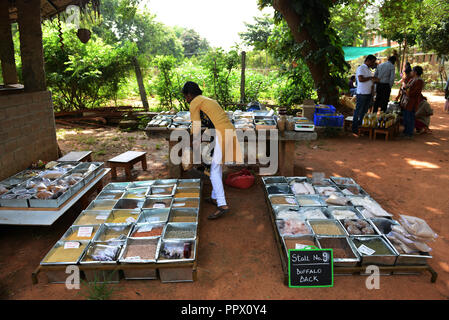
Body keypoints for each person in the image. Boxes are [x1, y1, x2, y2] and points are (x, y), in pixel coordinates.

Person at [182, 81, 243, 220]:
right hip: (228, 131)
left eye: (185, 96)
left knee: (214, 170)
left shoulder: (194, 102)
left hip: (221, 134)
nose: (186, 99)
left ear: (189, 95)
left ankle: (222, 205)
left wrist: (191, 142)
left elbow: (196, 126)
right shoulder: (208, 100)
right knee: (218, 167)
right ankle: (215, 197)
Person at [352, 55, 378, 134]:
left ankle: (360, 126)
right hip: (362, 93)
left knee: (364, 111)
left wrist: (372, 92)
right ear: (368, 61)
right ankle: (355, 128)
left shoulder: (368, 70)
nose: (373, 64)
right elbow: (360, 79)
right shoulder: (361, 68)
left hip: (368, 93)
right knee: (358, 110)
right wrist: (370, 78)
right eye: (372, 62)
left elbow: (370, 81)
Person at [401, 66, 425, 139]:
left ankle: (409, 133)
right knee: (406, 116)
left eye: (412, 71)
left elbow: (414, 92)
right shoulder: (413, 79)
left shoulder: (419, 81)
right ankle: (406, 131)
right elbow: (407, 87)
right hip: (408, 101)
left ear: (415, 72)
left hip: (412, 101)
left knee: (410, 117)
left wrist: (406, 91)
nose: (411, 72)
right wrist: (404, 88)